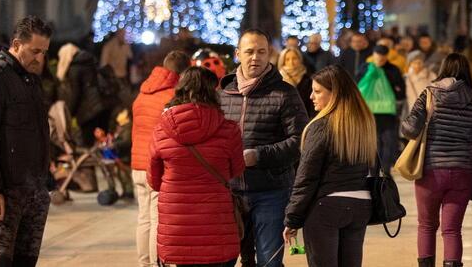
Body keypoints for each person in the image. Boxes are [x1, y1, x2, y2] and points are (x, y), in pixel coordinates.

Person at [0, 16, 54, 266]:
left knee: (26, 261)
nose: (40, 58)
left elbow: (38, 132)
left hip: (34, 190)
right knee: (0, 261)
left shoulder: (30, 79)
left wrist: (45, 181)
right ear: (16, 44)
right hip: (5, 192)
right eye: (35, 51)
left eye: (44, 52)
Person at [220, 29, 310, 266]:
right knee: (224, 260)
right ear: (238, 53)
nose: (255, 57)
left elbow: (300, 140)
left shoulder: (285, 93)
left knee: (269, 262)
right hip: (229, 192)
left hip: (271, 192)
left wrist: (258, 156)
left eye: (261, 51)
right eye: (249, 51)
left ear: (269, 53)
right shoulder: (223, 93)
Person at [149, 67, 245, 267]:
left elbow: (154, 181)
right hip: (217, 223)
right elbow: (236, 170)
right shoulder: (228, 129)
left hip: (177, 226)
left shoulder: (161, 130)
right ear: (213, 92)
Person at [283, 65, 377, 267]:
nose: (311, 97)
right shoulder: (365, 123)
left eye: (317, 91)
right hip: (361, 205)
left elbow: (307, 176)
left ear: (335, 94)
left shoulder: (321, 125)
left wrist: (292, 218)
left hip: (327, 206)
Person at [401, 53, 472, 267]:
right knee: (452, 229)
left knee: (427, 226)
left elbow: (409, 129)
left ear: (443, 69)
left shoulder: (429, 94)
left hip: (431, 171)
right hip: (463, 172)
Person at [130, 50, 189, 267]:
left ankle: (144, 263)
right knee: (158, 219)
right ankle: (156, 264)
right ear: (183, 73)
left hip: (138, 164)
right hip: (157, 166)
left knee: (143, 217)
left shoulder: (142, 93)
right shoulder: (173, 97)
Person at [359, 45, 405, 171]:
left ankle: (385, 170)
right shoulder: (366, 67)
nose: (380, 60)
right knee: (374, 142)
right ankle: (374, 170)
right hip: (373, 111)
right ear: (373, 55)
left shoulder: (392, 69)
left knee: (388, 141)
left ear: (386, 56)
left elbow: (401, 89)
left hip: (386, 112)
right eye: (378, 57)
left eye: (382, 58)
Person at [57, 43, 111, 146]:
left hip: (89, 111)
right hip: (104, 106)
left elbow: (75, 94)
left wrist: (69, 113)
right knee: (103, 141)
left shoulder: (75, 68)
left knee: (88, 143)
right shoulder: (90, 62)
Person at [278, 47, 315, 119]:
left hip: (305, 119)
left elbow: (312, 105)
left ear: (299, 59)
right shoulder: (278, 80)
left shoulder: (308, 80)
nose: (291, 62)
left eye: (294, 58)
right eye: (287, 59)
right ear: (283, 61)